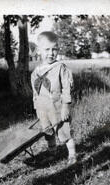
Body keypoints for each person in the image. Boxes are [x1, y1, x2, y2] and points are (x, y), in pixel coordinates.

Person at [31, 31, 77, 166]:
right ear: (39, 50)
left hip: (57, 107)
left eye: (54, 49)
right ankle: (53, 153)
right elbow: (35, 93)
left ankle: (72, 155)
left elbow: (66, 89)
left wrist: (65, 107)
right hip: (43, 109)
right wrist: (37, 109)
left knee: (64, 132)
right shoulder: (36, 72)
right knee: (48, 132)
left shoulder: (60, 68)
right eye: (47, 49)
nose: (51, 53)